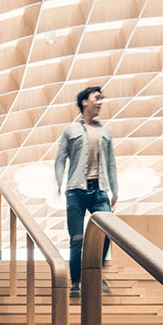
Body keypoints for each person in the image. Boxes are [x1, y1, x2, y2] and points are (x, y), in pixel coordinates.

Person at [53, 85, 118, 297]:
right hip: (76, 191)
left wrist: (115, 190)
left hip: (99, 191)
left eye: (101, 99)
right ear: (84, 102)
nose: (100, 102)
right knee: (76, 239)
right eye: (96, 98)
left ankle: (96, 275)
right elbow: (60, 158)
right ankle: (75, 283)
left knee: (108, 233)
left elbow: (111, 164)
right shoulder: (70, 131)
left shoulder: (105, 132)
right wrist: (59, 183)